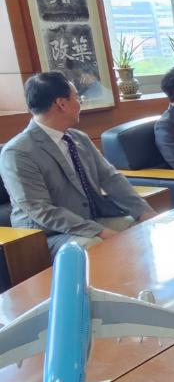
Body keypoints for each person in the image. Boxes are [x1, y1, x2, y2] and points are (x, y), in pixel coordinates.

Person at [0, 71, 155, 255]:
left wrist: (144, 212)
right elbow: (40, 210)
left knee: (138, 228)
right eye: (76, 97)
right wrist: (99, 231)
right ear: (61, 104)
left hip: (89, 219)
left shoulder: (78, 138)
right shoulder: (18, 152)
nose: (80, 103)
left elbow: (110, 178)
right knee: (94, 246)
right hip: (46, 234)